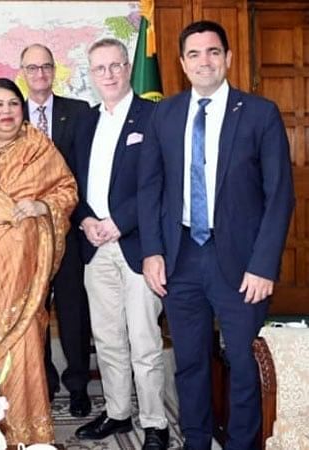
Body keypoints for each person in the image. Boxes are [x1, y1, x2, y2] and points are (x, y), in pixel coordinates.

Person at [138, 21, 295, 450]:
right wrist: (152, 251)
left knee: (244, 364)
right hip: (181, 257)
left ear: (227, 58)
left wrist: (263, 265)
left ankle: (242, 444)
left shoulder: (260, 113)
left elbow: (280, 195)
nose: (203, 61)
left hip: (243, 263)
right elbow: (150, 189)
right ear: (182, 63)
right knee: (189, 361)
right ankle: (196, 439)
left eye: (212, 52)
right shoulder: (164, 115)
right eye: (194, 54)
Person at [0, 78, 78, 445]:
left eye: (13, 104)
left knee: (23, 343)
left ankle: (28, 432)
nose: (6, 112)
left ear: (23, 110)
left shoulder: (40, 148)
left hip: (25, 268)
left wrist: (42, 206)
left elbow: (67, 189)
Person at [71, 38, 168, 449]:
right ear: (91, 75)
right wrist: (86, 220)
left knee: (144, 340)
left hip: (138, 246)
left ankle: (155, 423)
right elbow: (70, 182)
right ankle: (117, 412)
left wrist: (118, 222)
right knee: (108, 338)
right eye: (99, 69)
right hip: (95, 247)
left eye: (115, 66)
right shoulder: (85, 121)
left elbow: (160, 183)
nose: (108, 75)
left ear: (128, 68)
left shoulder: (154, 116)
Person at [20, 43, 93, 414]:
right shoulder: (11, 115)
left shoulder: (78, 112)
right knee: (35, 311)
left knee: (73, 311)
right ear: (23, 73)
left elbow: (84, 174)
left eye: (46, 66)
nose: (39, 74)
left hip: (67, 232)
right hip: (27, 238)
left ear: (55, 70)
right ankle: (43, 383)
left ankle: (78, 385)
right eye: (32, 68)